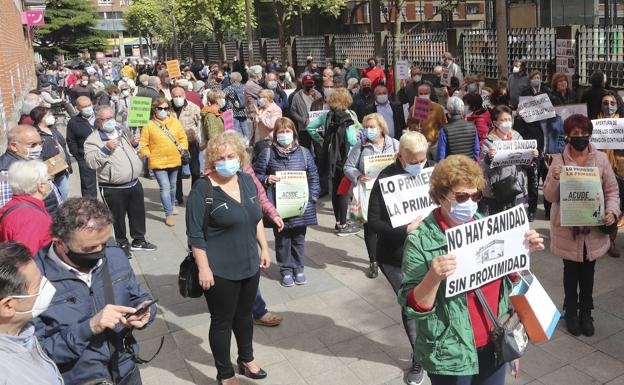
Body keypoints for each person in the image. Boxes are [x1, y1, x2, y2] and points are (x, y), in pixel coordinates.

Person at [398, 154, 544, 385]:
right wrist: (433, 277)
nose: (470, 203)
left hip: (493, 341)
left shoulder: (483, 223)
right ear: (441, 196)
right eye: (462, 196)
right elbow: (413, 308)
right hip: (450, 352)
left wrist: (521, 252)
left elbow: (508, 280)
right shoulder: (421, 241)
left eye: (475, 195)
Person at [33, 198, 156, 385]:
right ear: (59, 243)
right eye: (90, 248)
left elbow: (137, 295)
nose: (100, 252)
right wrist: (89, 328)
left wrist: (146, 310)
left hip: (126, 371)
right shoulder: (32, 279)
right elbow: (35, 353)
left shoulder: (114, 254)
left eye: (104, 243)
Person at [186, 133, 271, 384]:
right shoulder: (203, 189)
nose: (226, 161)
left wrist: (264, 247)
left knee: (245, 315)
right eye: (220, 157)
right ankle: (225, 373)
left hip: (249, 263)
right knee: (222, 322)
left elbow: (254, 217)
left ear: (240, 157)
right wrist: (203, 268)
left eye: (231, 156)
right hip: (219, 269)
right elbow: (195, 234)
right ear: (212, 160)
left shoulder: (246, 180)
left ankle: (247, 359)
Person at [543, 114, 620, 337]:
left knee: (589, 274)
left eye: (585, 133)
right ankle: (572, 313)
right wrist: (555, 178)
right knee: (570, 273)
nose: (581, 137)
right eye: (575, 134)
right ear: (567, 136)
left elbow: (612, 191)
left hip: (593, 230)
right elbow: (549, 197)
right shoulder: (559, 160)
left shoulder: (601, 160)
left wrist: (611, 212)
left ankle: (586, 312)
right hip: (568, 230)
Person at [367, 131, 432, 385]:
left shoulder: (431, 171)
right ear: (400, 156)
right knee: (412, 304)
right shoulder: (386, 178)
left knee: (431, 302)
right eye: (413, 161)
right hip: (395, 257)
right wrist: (404, 229)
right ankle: (418, 358)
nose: (419, 165)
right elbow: (373, 222)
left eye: (422, 160)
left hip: (427, 252)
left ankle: (431, 347)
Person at [253, 118, 319, 287]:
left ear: (294, 133)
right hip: (278, 206)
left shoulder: (304, 153)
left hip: (300, 206)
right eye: (281, 132)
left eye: (287, 131)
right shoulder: (268, 153)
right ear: (276, 134)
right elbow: (256, 176)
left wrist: (312, 199)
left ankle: (299, 268)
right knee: (282, 241)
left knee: (298, 239)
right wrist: (267, 179)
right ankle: (286, 270)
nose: (284, 135)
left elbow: (313, 177)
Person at [84, 106, 156, 256]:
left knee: (138, 213)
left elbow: (130, 151)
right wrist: (105, 149)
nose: (110, 121)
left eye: (111, 117)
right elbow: (91, 162)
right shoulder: (93, 140)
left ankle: (139, 240)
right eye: (105, 119)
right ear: (98, 121)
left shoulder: (121, 131)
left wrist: (134, 145)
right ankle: (122, 244)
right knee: (117, 218)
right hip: (113, 187)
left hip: (134, 182)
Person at [0, 241, 64, 385]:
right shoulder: (7, 375)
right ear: (8, 306)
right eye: (38, 285)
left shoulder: (22, 334)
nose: (47, 286)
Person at [344, 113, 399, 278]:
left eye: (372, 127)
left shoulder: (395, 144)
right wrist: (359, 176)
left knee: (391, 225)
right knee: (370, 227)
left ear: (381, 128)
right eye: (366, 127)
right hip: (369, 193)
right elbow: (348, 166)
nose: (369, 130)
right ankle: (373, 261)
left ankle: (391, 256)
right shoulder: (360, 146)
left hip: (390, 193)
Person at [306, 89, 360, 236]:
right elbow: (352, 140)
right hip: (345, 158)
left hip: (332, 158)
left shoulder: (327, 116)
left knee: (335, 190)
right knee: (343, 192)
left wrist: (321, 139)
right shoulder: (347, 117)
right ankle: (343, 225)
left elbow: (310, 127)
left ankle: (338, 222)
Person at [139, 97, 189, 226]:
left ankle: (172, 204)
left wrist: (182, 149)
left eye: (166, 108)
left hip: (174, 159)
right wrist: (148, 155)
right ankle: (168, 213)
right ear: (154, 109)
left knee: (173, 187)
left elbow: (183, 138)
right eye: (160, 108)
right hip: (158, 162)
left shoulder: (175, 122)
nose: (163, 111)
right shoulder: (148, 125)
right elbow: (143, 143)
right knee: (165, 187)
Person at [479, 105, 535, 215]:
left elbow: (526, 164)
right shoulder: (489, 141)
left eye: (509, 119)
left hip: (517, 187)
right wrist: (488, 158)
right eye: (504, 120)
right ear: (495, 123)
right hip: (497, 190)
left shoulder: (517, 137)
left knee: (516, 222)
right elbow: (482, 167)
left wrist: (532, 156)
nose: (508, 123)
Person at [0, 161, 53, 256]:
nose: (51, 182)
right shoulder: (32, 218)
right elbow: (26, 259)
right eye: (49, 179)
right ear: (41, 187)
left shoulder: (13, 205)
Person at [597, 91, 624, 257]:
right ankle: (599, 239)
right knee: (600, 206)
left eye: (612, 102)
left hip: (618, 170)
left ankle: (611, 242)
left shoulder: (622, 124)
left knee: (615, 207)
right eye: (605, 102)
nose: (609, 106)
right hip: (597, 171)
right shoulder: (593, 123)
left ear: (618, 104)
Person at [30, 106, 72, 201]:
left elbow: (62, 145)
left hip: (62, 168)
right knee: (55, 197)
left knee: (64, 193)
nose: (52, 116)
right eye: (48, 115)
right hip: (49, 172)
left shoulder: (52, 128)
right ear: (40, 118)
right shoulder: (35, 133)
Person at [171, 86, 202, 205]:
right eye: (175, 96)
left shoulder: (193, 107)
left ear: (184, 96)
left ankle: (194, 195)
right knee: (176, 172)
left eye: (180, 96)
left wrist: (201, 140)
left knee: (195, 171)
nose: (177, 99)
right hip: (175, 145)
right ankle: (177, 196)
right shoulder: (167, 108)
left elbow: (200, 124)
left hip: (191, 142)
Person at [67, 96, 98, 198]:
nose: (88, 108)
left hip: (105, 155)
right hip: (85, 158)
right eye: (84, 106)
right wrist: (79, 156)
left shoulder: (100, 117)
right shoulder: (73, 122)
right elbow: (71, 141)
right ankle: (91, 210)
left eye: (89, 105)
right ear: (77, 108)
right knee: (88, 188)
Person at [406, 84, 447, 160]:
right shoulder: (413, 109)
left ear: (429, 94)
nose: (423, 95)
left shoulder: (438, 108)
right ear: (417, 94)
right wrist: (414, 127)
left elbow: (444, 125)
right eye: (421, 94)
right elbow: (409, 123)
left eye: (425, 93)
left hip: (435, 144)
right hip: (420, 144)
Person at [437, 97, 479, 161]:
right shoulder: (472, 126)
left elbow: (441, 155)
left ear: (448, 112)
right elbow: (476, 150)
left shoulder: (444, 130)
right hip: (469, 165)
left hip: (452, 167)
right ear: (462, 110)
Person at [290, 74, 321, 148]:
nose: (309, 86)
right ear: (303, 85)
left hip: (317, 127)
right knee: (305, 149)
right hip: (304, 128)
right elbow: (292, 111)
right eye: (307, 84)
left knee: (319, 149)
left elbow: (323, 107)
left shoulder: (317, 94)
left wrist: (315, 97)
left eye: (311, 84)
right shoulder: (297, 96)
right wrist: (302, 120)